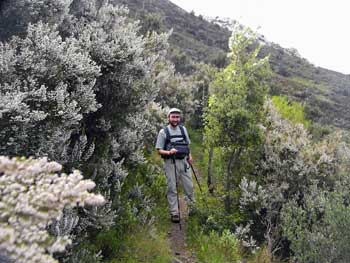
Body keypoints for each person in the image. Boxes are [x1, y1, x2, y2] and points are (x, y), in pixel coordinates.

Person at [155, 108, 195, 223]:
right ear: (168, 118)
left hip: (184, 162)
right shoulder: (163, 132)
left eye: (177, 117)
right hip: (170, 163)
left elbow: (187, 145)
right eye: (173, 117)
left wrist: (190, 156)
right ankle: (174, 213)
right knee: (172, 187)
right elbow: (159, 150)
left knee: (190, 186)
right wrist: (169, 152)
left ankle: (192, 209)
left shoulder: (183, 130)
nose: (175, 119)